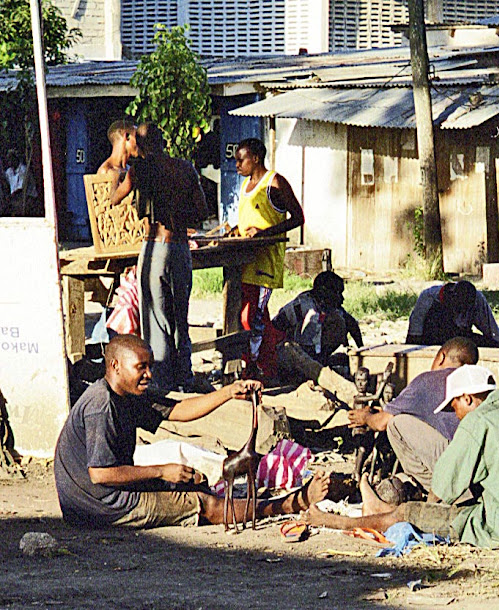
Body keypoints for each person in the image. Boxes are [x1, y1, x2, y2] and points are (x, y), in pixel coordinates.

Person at [54, 334, 329, 528]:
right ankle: (291, 504)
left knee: (190, 483)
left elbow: (178, 410)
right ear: (115, 366)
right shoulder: (101, 405)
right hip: (96, 505)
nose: (149, 374)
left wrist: (229, 392)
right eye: (141, 367)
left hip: (97, 498)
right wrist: (162, 470)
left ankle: (250, 505)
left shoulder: (128, 394)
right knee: (204, 503)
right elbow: (101, 474)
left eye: (150, 366)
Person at [306, 365, 499, 548]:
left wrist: (423, 512)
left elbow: (443, 486)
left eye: (454, 407)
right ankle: (383, 511)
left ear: (467, 398)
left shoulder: (478, 421)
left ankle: (335, 521)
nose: (456, 415)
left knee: (408, 512)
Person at [112, 123, 208, 391]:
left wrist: (119, 164)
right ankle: (185, 380)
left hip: (154, 248)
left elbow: (114, 198)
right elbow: (201, 212)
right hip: (179, 248)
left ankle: (162, 385)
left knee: (155, 320)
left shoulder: (139, 170)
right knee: (180, 318)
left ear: (139, 145)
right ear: (164, 142)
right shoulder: (186, 169)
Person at [348, 337, 478, 492]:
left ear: (441, 357)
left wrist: (365, 417)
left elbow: (381, 422)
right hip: (477, 460)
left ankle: (435, 488)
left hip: (457, 461)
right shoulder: (477, 384)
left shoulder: (427, 380)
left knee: (397, 424)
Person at [235, 138, 305, 381]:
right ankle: (262, 364)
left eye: (241, 160)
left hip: (265, 262)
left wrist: (265, 233)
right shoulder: (245, 185)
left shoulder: (275, 182)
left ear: (255, 158)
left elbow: (298, 218)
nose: (237, 165)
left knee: (253, 317)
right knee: (249, 314)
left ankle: (260, 367)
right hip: (245, 260)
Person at [272, 270, 363, 366]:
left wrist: (362, 352)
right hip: (285, 352)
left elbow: (351, 323)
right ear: (325, 292)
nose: (342, 299)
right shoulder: (307, 308)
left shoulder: (326, 304)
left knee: (339, 320)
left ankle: (321, 361)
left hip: (307, 351)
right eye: (338, 293)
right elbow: (307, 344)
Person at [406, 281, 499, 348]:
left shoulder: (477, 298)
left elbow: (494, 334)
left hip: (462, 340)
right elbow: (414, 335)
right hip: (432, 340)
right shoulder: (427, 298)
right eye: (458, 307)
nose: (461, 312)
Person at [97, 119, 138, 192]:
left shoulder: (128, 168)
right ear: (126, 137)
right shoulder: (105, 170)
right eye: (137, 137)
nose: (140, 142)